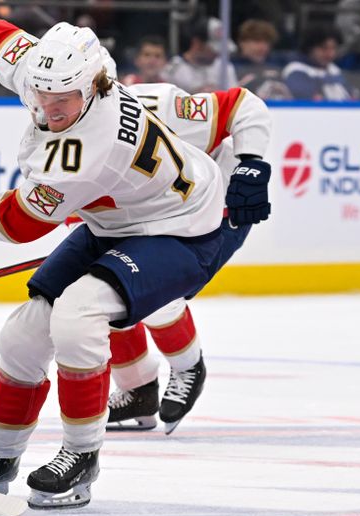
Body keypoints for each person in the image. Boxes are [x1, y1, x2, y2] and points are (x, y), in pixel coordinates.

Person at [0, 17, 270, 508]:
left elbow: (21, 222)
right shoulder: (58, 80)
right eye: (39, 94)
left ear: (94, 88)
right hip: (117, 226)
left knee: (79, 314)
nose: (46, 109)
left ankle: (82, 457)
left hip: (187, 233)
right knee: (22, 334)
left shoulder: (88, 148)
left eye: (60, 100)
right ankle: (0, 457)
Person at [103, 82, 271, 433]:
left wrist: (250, 163)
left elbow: (243, 105)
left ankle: (187, 365)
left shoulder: (164, 108)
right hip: (155, 218)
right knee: (101, 288)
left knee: (160, 294)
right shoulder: (68, 134)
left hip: (218, 214)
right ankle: (138, 391)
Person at [282, 24, 356, 101]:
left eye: (333, 48)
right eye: (324, 48)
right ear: (309, 48)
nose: (330, 54)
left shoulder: (334, 70)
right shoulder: (295, 70)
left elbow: (351, 96)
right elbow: (308, 99)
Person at [163, 17, 239, 92]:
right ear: (197, 43)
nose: (217, 54)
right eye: (213, 50)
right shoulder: (174, 69)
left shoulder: (225, 67)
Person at [231, 19, 292, 100]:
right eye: (257, 41)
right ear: (242, 42)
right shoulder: (230, 66)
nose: (263, 47)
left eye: (266, 42)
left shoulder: (279, 64)